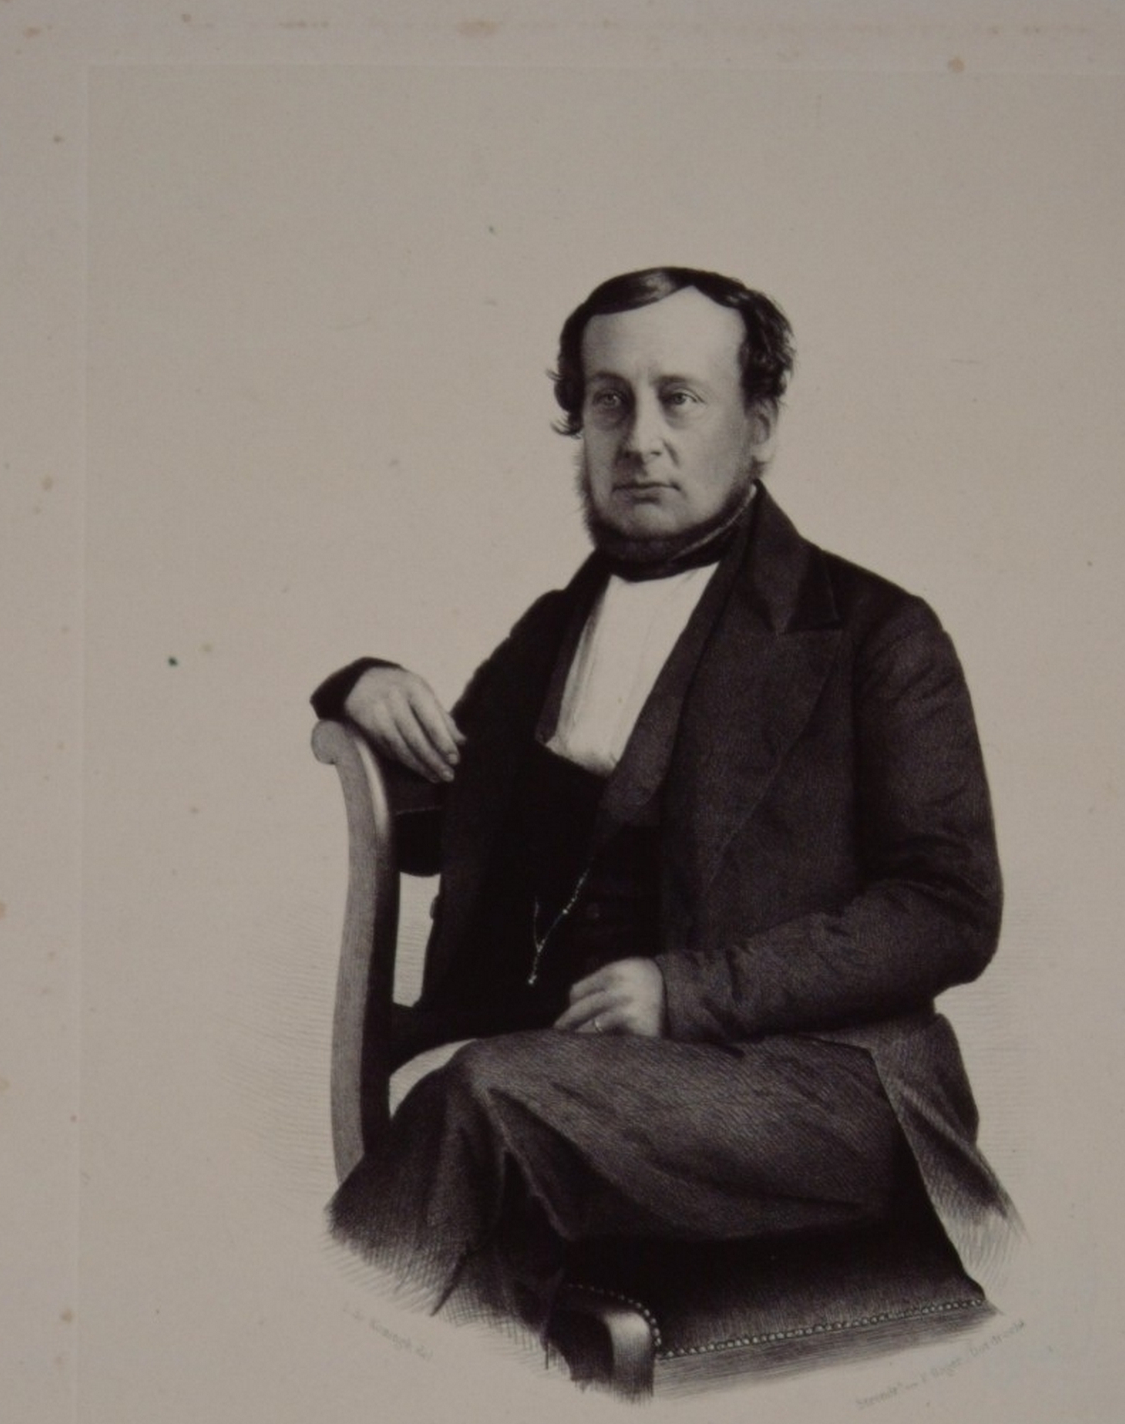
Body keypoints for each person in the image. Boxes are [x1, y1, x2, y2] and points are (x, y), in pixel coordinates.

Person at [311, 266, 1018, 1346]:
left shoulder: (876, 632)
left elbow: (949, 908)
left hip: (814, 1085)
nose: (639, 439)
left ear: (760, 425)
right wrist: (358, 685)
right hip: (585, 1081)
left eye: (679, 399)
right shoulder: (552, 629)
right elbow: (443, 826)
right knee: (489, 1119)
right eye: (609, 401)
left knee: (483, 1097)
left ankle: (328, 1348)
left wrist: (688, 993)